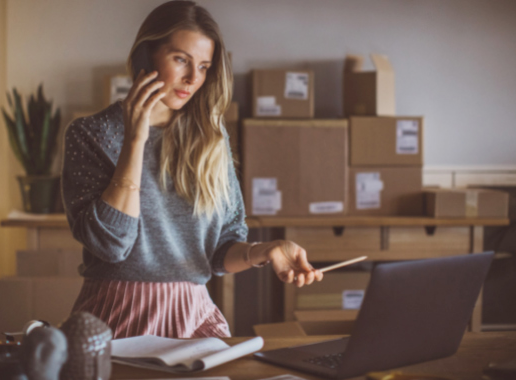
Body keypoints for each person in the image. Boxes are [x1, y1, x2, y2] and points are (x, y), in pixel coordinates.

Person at [61, 0, 322, 339]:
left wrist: (265, 252)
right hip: (117, 315)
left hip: (194, 316)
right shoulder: (91, 133)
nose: (192, 78)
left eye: (203, 66)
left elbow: (220, 249)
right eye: (181, 60)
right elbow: (111, 245)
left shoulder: (211, 136)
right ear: (147, 56)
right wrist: (135, 141)